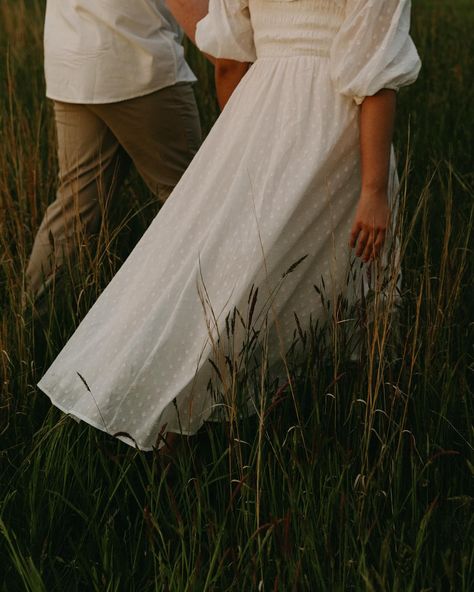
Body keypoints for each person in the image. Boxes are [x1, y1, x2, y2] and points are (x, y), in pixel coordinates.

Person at [37, 0, 421, 451]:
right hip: (332, 123)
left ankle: (175, 393)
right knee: (328, 272)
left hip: (257, 108)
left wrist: (236, 136)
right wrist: (374, 190)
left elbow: (230, 58)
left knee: (225, 262)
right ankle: (339, 405)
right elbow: (374, 77)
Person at [26, 0, 242, 302]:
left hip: (73, 60)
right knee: (195, 200)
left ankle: (34, 322)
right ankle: (221, 308)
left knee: (75, 208)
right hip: (137, 62)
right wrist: (228, 58)